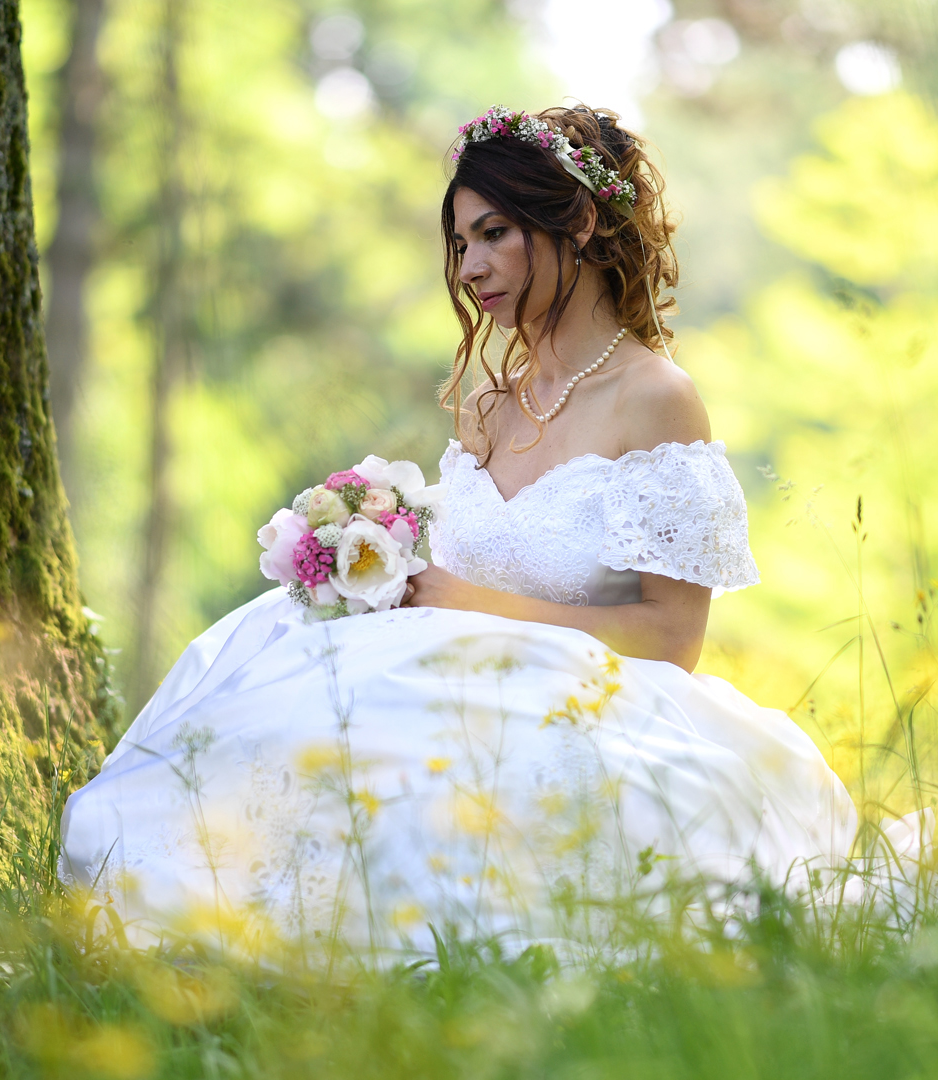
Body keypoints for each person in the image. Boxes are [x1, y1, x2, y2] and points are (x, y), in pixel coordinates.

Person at [58, 105, 857, 956]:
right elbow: (446, 575)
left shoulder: (656, 398)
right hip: (443, 678)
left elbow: (671, 638)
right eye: (461, 244)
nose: (471, 268)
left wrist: (473, 605)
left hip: (582, 703)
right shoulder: (486, 409)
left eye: (494, 234)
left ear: (580, 224)